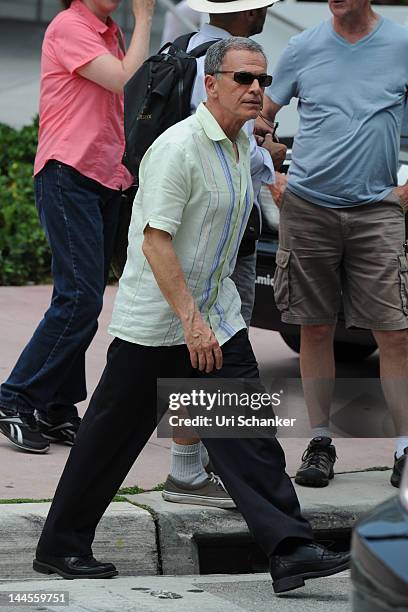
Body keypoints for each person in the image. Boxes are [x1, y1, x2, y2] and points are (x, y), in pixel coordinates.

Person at [33, 38, 349, 593]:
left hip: (215, 318)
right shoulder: (177, 148)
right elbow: (156, 241)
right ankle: (61, 547)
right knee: (108, 440)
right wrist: (189, 320)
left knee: (247, 436)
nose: (256, 89)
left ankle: (290, 549)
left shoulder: (236, 146)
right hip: (160, 323)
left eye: (264, 81)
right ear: (210, 84)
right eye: (243, 79)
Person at [0, 0, 155, 453]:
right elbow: (129, 81)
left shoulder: (109, 31)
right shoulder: (69, 25)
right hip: (69, 173)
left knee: (80, 299)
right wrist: (145, 18)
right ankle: (15, 398)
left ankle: (56, 407)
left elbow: (127, 102)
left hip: (105, 176)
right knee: (79, 299)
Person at [264, 0, 408, 488]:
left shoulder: (402, 43)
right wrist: (273, 177)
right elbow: (260, 114)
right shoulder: (304, 47)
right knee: (316, 329)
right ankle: (320, 442)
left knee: (395, 333)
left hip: (378, 210)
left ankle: (404, 448)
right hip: (307, 206)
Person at [163, 0, 287, 507]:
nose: (263, 14)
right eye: (259, 7)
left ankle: (205, 467)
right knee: (211, 349)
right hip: (217, 235)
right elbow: (217, 141)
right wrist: (267, 155)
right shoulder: (215, 64)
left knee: (204, 355)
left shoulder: (188, 52)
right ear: (245, 13)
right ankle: (191, 471)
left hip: (204, 231)